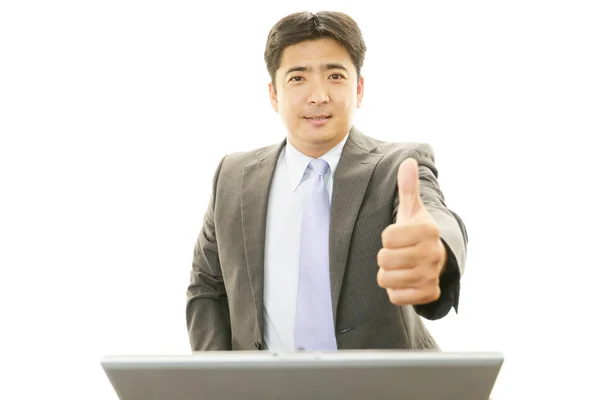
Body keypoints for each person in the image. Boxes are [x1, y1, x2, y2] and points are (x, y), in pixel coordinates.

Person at [185, 10, 468, 352]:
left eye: (335, 76)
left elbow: (434, 216)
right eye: (298, 78)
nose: (318, 95)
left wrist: (436, 252)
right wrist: (218, 380)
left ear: (359, 89)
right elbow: (208, 285)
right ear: (274, 94)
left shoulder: (399, 166)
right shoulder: (232, 176)